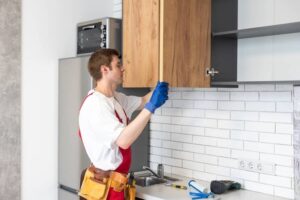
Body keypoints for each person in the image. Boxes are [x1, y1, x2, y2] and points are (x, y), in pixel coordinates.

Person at [78, 48, 169, 200]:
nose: (123, 68)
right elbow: (123, 141)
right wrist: (151, 108)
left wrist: (161, 85)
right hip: (104, 187)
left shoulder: (115, 99)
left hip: (116, 182)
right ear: (105, 69)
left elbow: (143, 101)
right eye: (118, 65)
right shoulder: (96, 105)